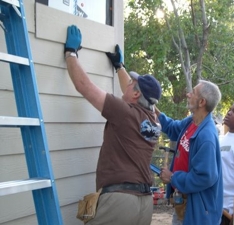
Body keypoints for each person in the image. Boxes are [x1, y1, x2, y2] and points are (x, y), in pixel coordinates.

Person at [64, 25, 162, 225]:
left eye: (130, 85)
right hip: (143, 205)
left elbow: (84, 87)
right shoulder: (154, 120)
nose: (126, 85)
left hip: (119, 202)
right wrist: (119, 67)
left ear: (135, 94)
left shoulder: (124, 112)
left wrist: (71, 53)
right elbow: (135, 91)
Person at [156, 80, 223, 225]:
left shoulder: (206, 136)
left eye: (193, 92)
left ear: (201, 102)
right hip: (184, 203)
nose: (188, 94)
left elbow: (205, 177)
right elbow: (172, 128)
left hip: (196, 210)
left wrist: (173, 178)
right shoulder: (191, 122)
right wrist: (153, 108)